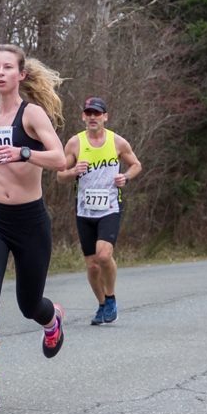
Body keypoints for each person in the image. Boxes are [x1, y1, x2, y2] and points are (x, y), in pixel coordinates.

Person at [0, 44, 67, 411]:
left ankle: (51, 321)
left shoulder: (31, 114)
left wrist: (25, 152)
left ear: (21, 74)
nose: (0, 73)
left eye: (7, 67)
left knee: (28, 303)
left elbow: (60, 157)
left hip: (30, 222)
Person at [57, 98, 142, 325]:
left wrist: (125, 177)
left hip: (110, 207)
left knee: (104, 255)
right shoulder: (75, 143)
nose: (93, 117)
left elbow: (136, 164)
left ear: (105, 117)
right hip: (85, 211)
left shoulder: (117, 142)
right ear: (83, 117)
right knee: (93, 265)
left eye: (97, 113)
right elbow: (60, 176)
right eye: (89, 113)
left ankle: (111, 298)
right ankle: (102, 304)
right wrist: (74, 170)